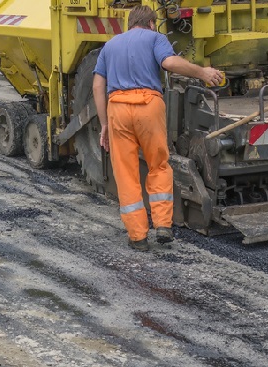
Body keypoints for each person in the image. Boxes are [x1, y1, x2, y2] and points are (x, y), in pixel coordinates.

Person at [92, 5, 223, 251]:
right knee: (158, 165)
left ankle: (138, 237)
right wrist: (202, 72)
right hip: (149, 106)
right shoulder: (155, 38)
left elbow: (98, 86)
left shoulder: (109, 46)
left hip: (117, 108)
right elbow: (170, 62)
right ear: (151, 23)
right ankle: (163, 225)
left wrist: (104, 124)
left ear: (130, 24)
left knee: (126, 174)